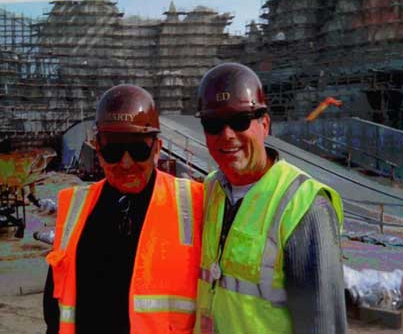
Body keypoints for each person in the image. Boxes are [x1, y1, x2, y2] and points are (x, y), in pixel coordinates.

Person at [194, 63, 347, 333]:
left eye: (240, 121)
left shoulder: (304, 205)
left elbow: (322, 324)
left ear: (264, 124)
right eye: (214, 124)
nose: (227, 135)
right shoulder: (210, 190)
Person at [43, 84, 204, 334]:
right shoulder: (75, 206)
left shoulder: (193, 203)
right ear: (97, 148)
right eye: (114, 149)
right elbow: (55, 308)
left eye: (138, 149)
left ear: (157, 148)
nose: (126, 163)